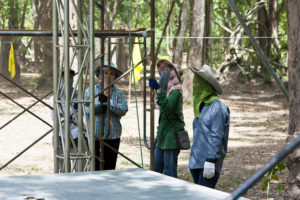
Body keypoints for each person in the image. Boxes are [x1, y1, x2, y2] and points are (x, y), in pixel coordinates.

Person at [187, 64, 230, 188]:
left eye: (198, 82)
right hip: (196, 162)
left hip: (209, 163)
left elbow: (217, 135)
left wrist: (211, 160)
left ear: (206, 84)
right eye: (194, 82)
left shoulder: (218, 107)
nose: (195, 85)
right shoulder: (201, 106)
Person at [84, 61, 128, 170]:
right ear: (99, 75)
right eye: (105, 73)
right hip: (94, 134)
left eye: (112, 74)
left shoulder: (118, 93)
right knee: (94, 166)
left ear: (115, 77)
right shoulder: (90, 91)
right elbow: (85, 109)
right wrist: (97, 108)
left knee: (109, 167)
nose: (108, 76)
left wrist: (109, 103)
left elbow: (123, 110)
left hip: (112, 135)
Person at [148, 59, 185, 178]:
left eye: (165, 71)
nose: (162, 75)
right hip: (162, 135)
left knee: (169, 172)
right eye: (160, 72)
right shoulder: (167, 91)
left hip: (171, 137)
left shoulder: (176, 91)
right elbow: (161, 110)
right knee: (156, 169)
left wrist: (159, 90)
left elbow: (168, 107)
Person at [49, 69, 80, 172]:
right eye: (64, 78)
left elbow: (80, 114)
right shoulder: (54, 98)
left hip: (76, 135)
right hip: (60, 135)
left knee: (78, 166)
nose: (68, 80)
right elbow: (55, 117)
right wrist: (64, 120)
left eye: (70, 78)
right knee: (62, 168)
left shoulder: (78, 95)